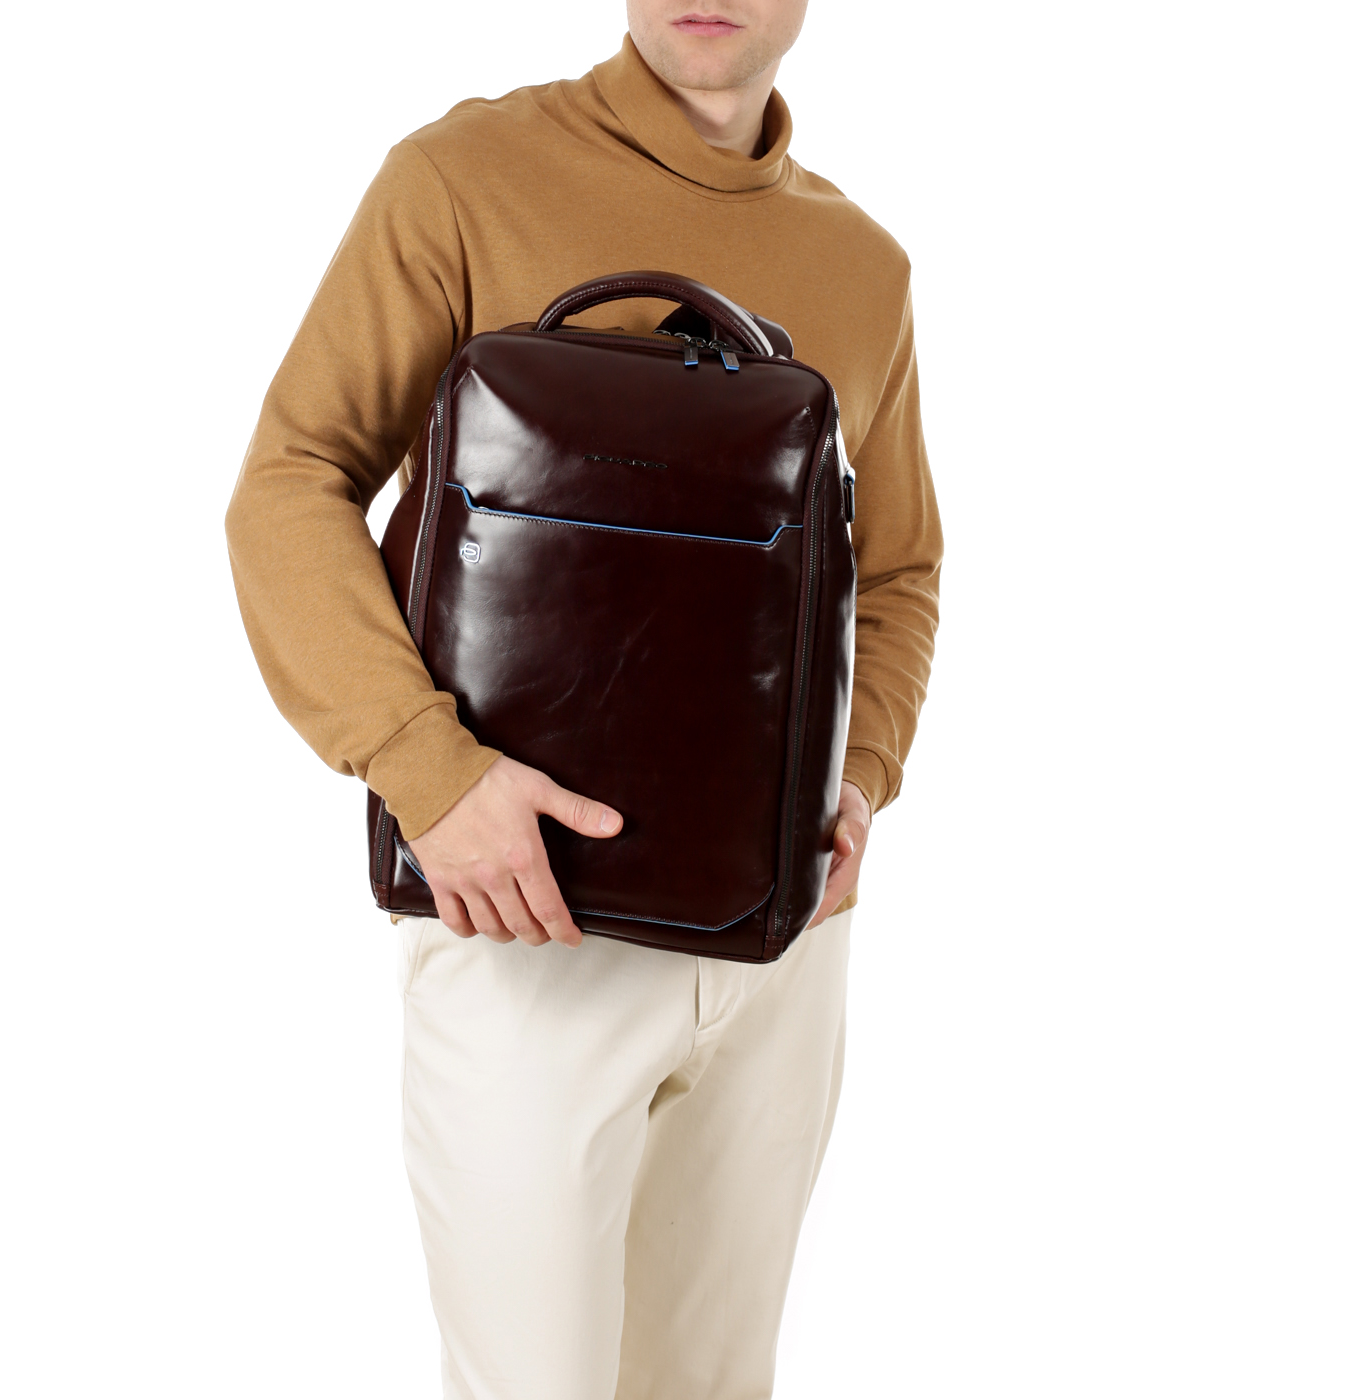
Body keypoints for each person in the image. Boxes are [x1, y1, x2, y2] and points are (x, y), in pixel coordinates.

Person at [225, 3, 942, 1395]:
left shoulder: (864, 264)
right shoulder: (461, 177)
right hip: (520, 924)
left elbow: (899, 570)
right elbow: (288, 483)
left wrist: (856, 775)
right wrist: (427, 773)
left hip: (779, 944)